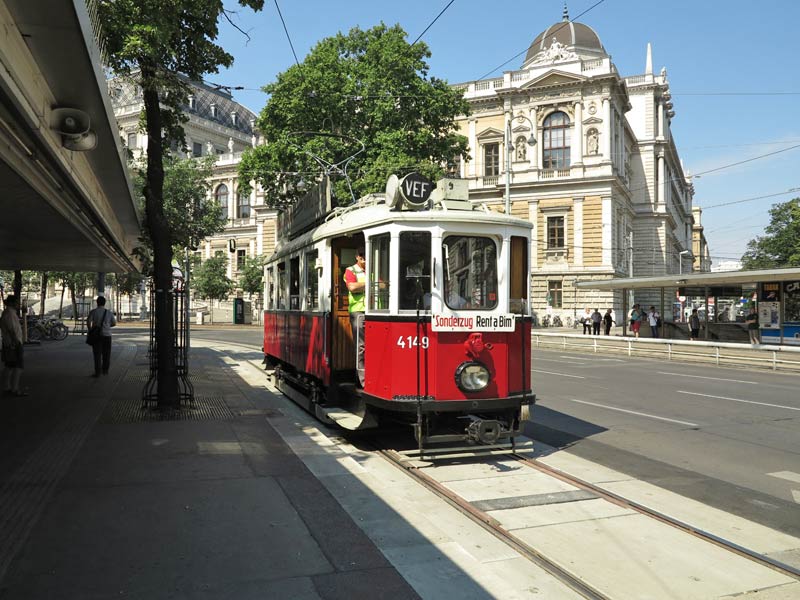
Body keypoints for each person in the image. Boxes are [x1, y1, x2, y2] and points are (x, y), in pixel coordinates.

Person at [343, 248, 366, 386]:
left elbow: (382, 285)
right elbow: (352, 287)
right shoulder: (350, 270)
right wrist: (370, 284)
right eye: (361, 254)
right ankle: (363, 380)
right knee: (361, 346)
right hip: (358, 312)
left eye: (365, 254)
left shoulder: (373, 267)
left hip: (374, 311)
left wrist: (361, 285)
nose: (364, 257)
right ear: (357, 256)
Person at [1, 295, 26, 396]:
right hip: (13, 343)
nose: (18, 304)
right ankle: (14, 389)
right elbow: (11, 329)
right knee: (18, 366)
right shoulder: (9, 314)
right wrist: (16, 342)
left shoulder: (8, 313)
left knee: (9, 366)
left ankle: (7, 387)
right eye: (16, 302)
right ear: (12, 303)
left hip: (9, 343)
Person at [86, 296, 116, 377]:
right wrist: (107, 326)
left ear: (97, 302)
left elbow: (88, 321)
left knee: (97, 354)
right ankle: (105, 370)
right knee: (107, 354)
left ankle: (97, 372)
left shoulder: (93, 312)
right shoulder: (109, 312)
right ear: (105, 303)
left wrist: (90, 329)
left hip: (96, 336)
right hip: (107, 336)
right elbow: (114, 323)